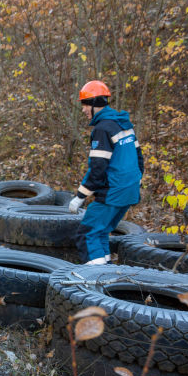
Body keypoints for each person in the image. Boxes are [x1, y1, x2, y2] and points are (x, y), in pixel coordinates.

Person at [69, 80, 144, 265]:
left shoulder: (102, 129)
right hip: (129, 191)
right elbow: (139, 158)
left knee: (86, 234)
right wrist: (135, 182)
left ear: (95, 104)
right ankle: (106, 271)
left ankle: (94, 281)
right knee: (100, 232)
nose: (83, 110)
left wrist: (80, 196)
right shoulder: (124, 124)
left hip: (112, 192)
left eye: (85, 104)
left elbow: (98, 169)